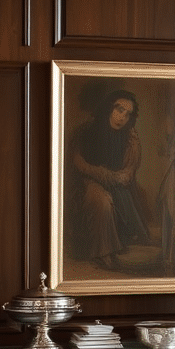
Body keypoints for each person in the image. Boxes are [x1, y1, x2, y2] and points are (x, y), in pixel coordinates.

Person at [69, 90, 151, 269]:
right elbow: (78, 162)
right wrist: (102, 174)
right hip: (87, 181)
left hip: (117, 184)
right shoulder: (87, 130)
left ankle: (117, 245)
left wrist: (118, 177)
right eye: (119, 109)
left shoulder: (131, 138)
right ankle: (104, 253)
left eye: (127, 114)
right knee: (101, 201)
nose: (121, 117)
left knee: (118, 199)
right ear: (109, 108)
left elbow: (130, 170)